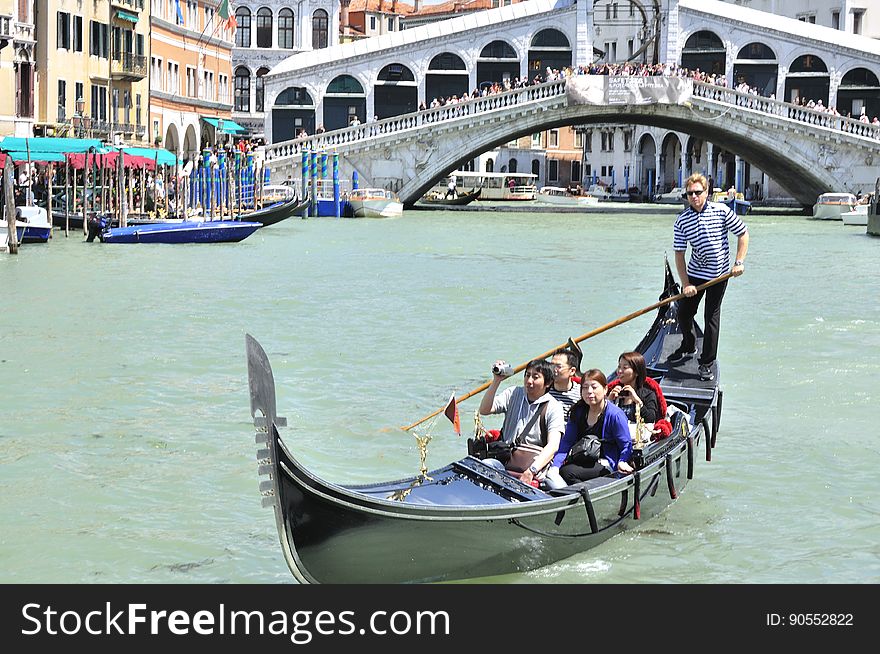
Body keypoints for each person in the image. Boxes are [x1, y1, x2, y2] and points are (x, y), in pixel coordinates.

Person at [672, 173, 749, 381]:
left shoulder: (722, 211)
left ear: (706, 193)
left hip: (719, 275)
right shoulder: (682, 220)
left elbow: (743, 234)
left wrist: (739, 262)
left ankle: (706, 363)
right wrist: (686, 283)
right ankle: (689, 345)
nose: (694, 197)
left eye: (698, 192)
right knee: (683, 314)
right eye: (690, 194)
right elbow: (679, 254)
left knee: (711, 318)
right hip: (695, 274)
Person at [479, 358, 565, 488]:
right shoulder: (513, 393)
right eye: (527, 375)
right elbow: (484, 410)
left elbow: (553, 445)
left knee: (558, 486)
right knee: (484, 466)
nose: (529, 381)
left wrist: (532, 471)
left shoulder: (554, 406)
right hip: (506, 461)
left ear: (548, 383)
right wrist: (496, 381)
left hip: (537, 467)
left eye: (535, 377)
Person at [552, 369, 633, 484]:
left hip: (606, 463)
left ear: (605, 389)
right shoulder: (578, 412)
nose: (589, 391)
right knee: (559, 470)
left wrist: (622, 461)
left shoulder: (615, 415)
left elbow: (626, 444)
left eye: (594, 387)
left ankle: (585, 495)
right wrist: (555, 466)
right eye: (585, 388)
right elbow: (567, 442)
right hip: (582, 457)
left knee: (567, 472)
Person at [548, 348, 582, 423]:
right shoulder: (543, 391)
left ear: (572, 371)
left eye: (558, 366)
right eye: (552, 365)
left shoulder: (581, 394)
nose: (553, 370)